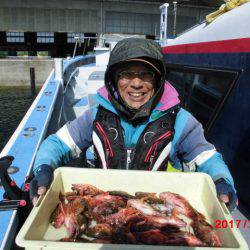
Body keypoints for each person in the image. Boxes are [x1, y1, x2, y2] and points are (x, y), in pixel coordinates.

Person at [30, 38, 237, 211]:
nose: (136, 83)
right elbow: (58, 143)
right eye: (126, 74)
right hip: (104, 206)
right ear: (113, 80)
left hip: (156, 209)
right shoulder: (94, 116)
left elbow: (207, 158)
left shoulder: (181, 120)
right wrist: (44, 167)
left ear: (158, 81)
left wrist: (221, 180)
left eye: (146, 74)